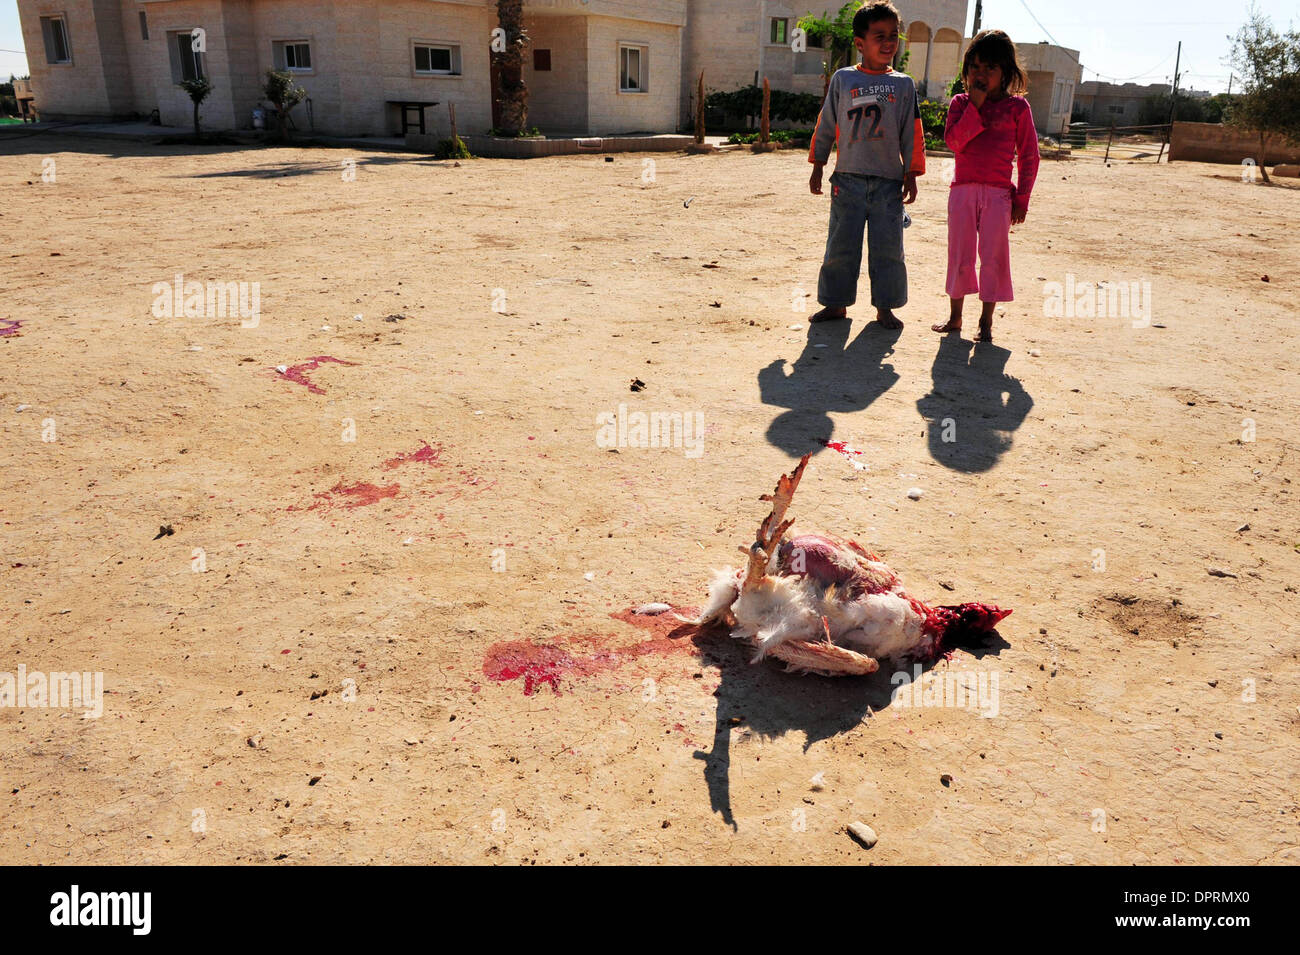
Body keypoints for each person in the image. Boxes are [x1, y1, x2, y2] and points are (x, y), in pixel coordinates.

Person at [808, 0, 925, 330]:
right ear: (860, 43)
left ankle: (885, 307)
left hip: (888, 183)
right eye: (879, 36)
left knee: (888, 250)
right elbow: (827, 123)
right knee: (840, 246)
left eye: (894, 35)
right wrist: (818, 162)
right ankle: (835, 304)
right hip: (846, 181)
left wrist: (911, 173)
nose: (888, 43)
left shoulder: (903, 84)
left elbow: (911, 131)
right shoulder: (843, 80)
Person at [931, 30, 1040, 343]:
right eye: (975, 67)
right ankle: (955, 317)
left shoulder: (1017, 108)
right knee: (959, 255)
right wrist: (974, 107)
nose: (981, 74)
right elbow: (954, 141)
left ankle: (986, 322)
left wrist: (1022, 198)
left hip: (998, 195)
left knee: (993, 258)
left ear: (1005, 72)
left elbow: (1030, 156)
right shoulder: (960, 103)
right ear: (966, 72)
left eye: (989, 68)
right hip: (962, 191)